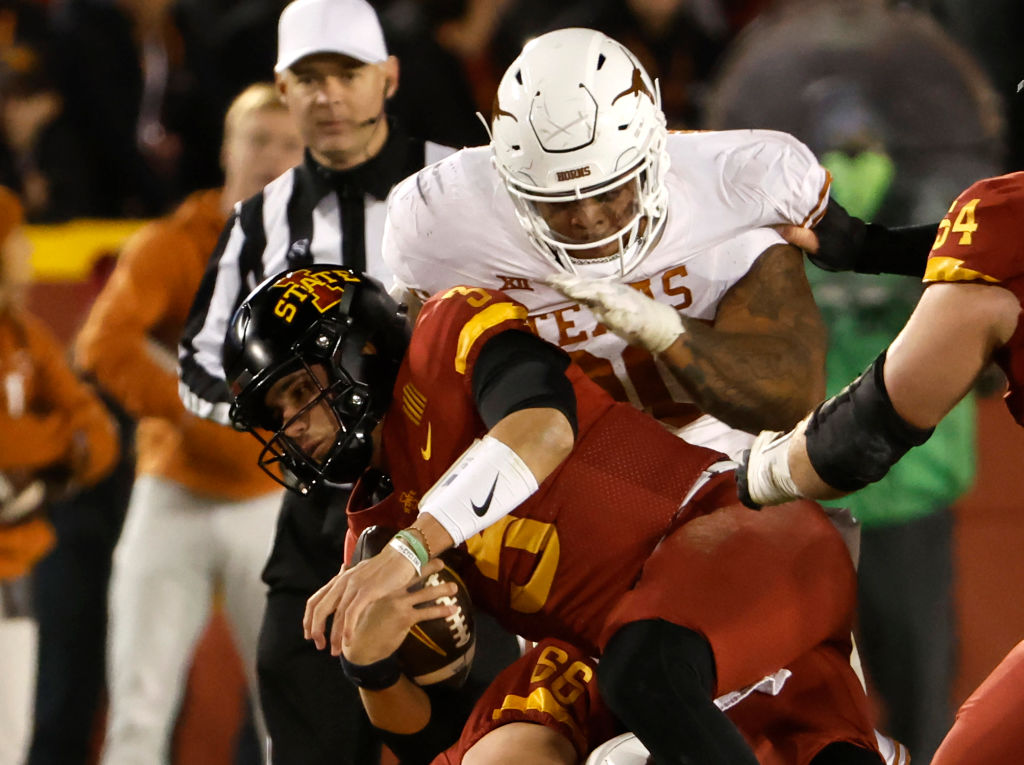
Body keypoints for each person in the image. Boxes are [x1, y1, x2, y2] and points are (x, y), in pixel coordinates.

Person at [224, 265, 886, 765]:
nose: (293, 424)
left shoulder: (446, 336)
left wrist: (414, 550)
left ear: (359, 353)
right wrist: (368, 667)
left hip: (732, 534)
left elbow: (542, 428)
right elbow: (430, 732)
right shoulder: (372, 532)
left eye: (302, 391)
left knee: (648, 669)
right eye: (275, 412)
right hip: (601, 644)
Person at [177, 1, 519, 762]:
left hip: (455, 497)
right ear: (282, 88)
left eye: (346, 74)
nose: (328, 95)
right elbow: (199, 361)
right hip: (322, 511)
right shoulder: (257, 218)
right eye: (308, 78)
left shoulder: (462, 180)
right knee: (307, 721)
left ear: (388, 78)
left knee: (481, 728)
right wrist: (287, 414)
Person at [383, 26, 832, 466]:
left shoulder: (736, 187)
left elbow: (790, 398)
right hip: (558, 482)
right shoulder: (439, 224)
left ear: (653, 157)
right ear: (512, 184)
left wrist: (667, 333)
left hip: (730, 465)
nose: (587, 218)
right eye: (555, 202)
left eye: (609, 191)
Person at [738, 170, 1024, 763]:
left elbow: (858, 438)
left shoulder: (1002, 222)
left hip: (888, 501)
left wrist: (748, 474)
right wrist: (876, 248)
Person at [73, 82, 302, 765]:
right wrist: (206, 410)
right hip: (173, 490)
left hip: (271, 500)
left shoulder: (320, 248)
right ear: (227, 146)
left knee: (285, 712)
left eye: (289, 143)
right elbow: (101, 344)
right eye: (258, 139)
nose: (271, 156)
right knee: (139, 707)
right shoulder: (174, 243)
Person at [0, 185, 119, 765]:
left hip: (16, 560)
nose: (22, 251)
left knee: (12, 737)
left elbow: (97, 436)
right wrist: (53, 447)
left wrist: (36, 457)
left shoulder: (23, 335)